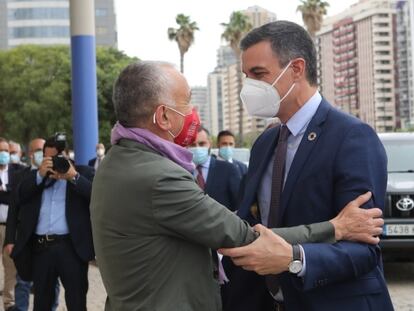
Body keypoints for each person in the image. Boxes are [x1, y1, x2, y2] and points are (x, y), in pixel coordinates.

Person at [90, 61, 385, 311]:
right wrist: (336, 227)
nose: (193, 112)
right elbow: (242, 236)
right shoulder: (158, 176)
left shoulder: (118, 160)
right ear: (164, 116)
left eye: (258, 74)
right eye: (187, 102)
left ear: (297, 69)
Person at [220, 21, 393, 311]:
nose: (249, 86)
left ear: (296, 69)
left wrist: (295, 257)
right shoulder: (265, 142)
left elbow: (365, 250)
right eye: (246, 76)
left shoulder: (351, 137)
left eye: (258, 74)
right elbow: (251, 225)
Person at [11, 137, 94, 310]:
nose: (52, 162)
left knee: (77, 302)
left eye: (56, 157)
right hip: (41, 249)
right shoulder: (36, 177)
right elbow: (19, 197)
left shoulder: (83, 172)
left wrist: (73, 177)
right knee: (41, 302)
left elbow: (96, 197)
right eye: (47, 157)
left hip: (71, 248)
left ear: (66, 155)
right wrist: (40, 176)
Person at [5, 138, 60, 311]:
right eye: (38, 149)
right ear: (30, 154)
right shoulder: (20, 175)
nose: (43, 153)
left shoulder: (58, 174)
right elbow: (13, 211)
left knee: (52, 281)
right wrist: (9, 240)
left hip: (50, 240)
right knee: (22, 280)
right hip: (26, 239)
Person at [189, 127, 242, 211]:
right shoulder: (183, 171)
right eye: (192, 144)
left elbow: (239, 204)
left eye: (202, 144)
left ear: (210, 144)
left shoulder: (228, 169)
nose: (197, 148)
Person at [0, 137, 25, 310]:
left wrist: (4, 191)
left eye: (7, 152)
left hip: (8, 227)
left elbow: (15, 198)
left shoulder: (17, 172)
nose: (4, 155)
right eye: (1, 151)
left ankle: (8, 303)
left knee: (10, 266)